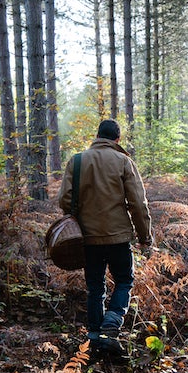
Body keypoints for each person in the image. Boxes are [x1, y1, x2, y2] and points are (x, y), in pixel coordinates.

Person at [59, 119, 152, 356]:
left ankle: (93, 337)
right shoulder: (124, 162)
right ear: (117, 139)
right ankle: (110, 328)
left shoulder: (77, 161)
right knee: (123, 281)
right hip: (119, 237)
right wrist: (145, 238)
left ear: (97, 135)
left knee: (94, 287)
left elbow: (65, 200)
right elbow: (138, 205)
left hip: (87, 238)